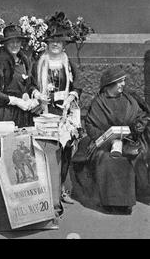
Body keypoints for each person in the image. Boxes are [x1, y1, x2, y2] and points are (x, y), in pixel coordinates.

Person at [74, 66, 150, 214]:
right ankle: (112, 202)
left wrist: (137, 126)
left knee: (136, 155)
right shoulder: (99, 102)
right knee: (108, 159)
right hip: (106, 144)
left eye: (123, 81)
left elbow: (141, 116)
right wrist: (108, 137)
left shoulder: (130, 99)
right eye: (119, 82)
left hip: (130, 140)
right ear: (109, 85)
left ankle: (130, 201)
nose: (123, 84)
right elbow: (90, 126)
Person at [35, 23, 82, 206]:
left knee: (66, 149)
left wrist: (71, 96)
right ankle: (46, 191)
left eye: (59, 42)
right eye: (52, 41)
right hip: (45, 111)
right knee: (46, 150)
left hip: (64, 112)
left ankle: (60, 188)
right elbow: (31, 84)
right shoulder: (40, 63)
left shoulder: (68, 64)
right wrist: (37, 94)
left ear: (64, 45)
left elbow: (78, 84)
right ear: (47, 44)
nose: (55, 44)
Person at [0, 25, 40, 128]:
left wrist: (35, 94)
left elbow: (29, 84)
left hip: (22, 114)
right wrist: (15, 101)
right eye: (11, 42)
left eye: (17, 42)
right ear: (5, 43)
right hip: (3, 113)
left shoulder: (24, 60)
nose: (14, 45)